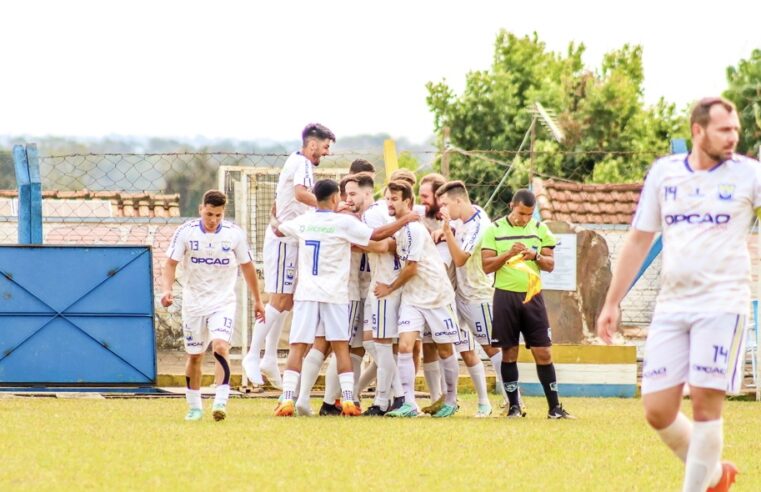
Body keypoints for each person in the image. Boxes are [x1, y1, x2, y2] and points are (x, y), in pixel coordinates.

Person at [597, 97, 753, 491]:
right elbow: (638, 238)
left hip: (723, 305)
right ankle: (714, 476)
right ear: (698, 131)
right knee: (657, 409)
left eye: (735, 129)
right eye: (724, 130)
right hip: (672, 306)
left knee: (704, 402)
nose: (733, 137)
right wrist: (612, 301)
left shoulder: (749, 175)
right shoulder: (665, 174)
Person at [272, 179, 413, 417]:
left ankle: (287, 398)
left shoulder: (304, 221)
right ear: (336, 198)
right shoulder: (342, 222)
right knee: (341, 348)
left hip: (307, 294)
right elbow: (377, 234)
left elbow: (278, 229)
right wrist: (405, 220)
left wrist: (274, 214)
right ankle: (348, 400)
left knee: (298, 346)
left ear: (316, 198)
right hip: (336, 295)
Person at [243, 123, 335, 389]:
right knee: (280, 298)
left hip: (288, 237)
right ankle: (252, 355)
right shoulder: (303, 164)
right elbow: (300, 193)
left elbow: (280, 200)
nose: (326, 153)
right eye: (326, 147)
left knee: (288, 300)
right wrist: (329, 207)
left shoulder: (294, 161)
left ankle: (269, 357)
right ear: (313, 144)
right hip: (284, 239)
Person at [161, 189, 265, 422]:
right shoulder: (186, 232)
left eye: (218, 215)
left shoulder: (234, 234)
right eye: (209, 214)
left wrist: (257, 299)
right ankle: (194, 406)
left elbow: (247, 267)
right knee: (196, 356)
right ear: (201, 209)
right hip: (194, 303)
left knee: (220, 347)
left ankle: (220, 400)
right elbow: (170, 264)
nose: (213, 220)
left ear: (223, 213)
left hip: (223, 302)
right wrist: (167, 289)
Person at [481, 189, 573, 419]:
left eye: (529, 214)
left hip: (533, 297)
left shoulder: (540, 229)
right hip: (505, 296)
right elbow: (486, 266)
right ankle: (514, 407)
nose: (524, 218)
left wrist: (535, 257)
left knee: (543, 352)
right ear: (512, 205)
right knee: (509, 351)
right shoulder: (494, 230)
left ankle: (554, 408)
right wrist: (508, 254)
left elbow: (550, 265)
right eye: (521, 213)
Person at [374, 180, 461, 418]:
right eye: (387, 199)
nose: (390, 203)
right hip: (413, 295)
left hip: (435, 294)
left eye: (395, 199)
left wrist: (389, 288)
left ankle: (452, 400)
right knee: (405, 345)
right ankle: (409, 403)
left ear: (407, 202)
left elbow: (411, 267)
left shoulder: (412, 229)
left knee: (444, 348)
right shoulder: (401, 226)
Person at [436, 180, 507, 417]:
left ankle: (512, 400)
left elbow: (460, 259)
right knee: (464, 348)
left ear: (459, 200)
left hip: (478, 296)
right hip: (458, 295)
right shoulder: (461, 218)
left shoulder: (479, 225)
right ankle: (481, 403)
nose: (442, 209)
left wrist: (446, 231)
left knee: (491, 347)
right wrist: (445, 230)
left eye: (445, 204)